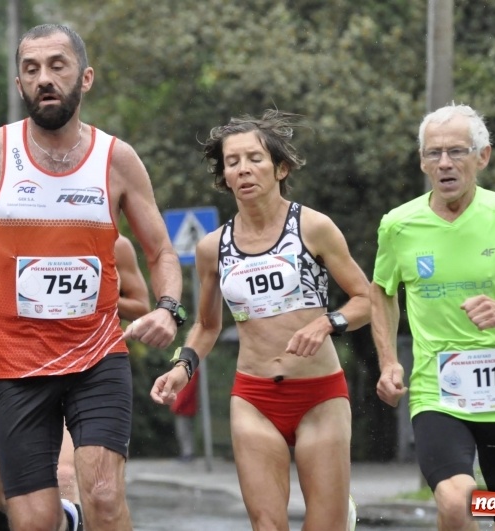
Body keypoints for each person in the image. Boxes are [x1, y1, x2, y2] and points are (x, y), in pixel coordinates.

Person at [0, 24, 183, 531]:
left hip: (97, 357)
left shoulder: (118, 160)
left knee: (105, 497)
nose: (44, 78)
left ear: (85, 78)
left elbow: (160, 251)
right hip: (16, 363)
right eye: (31, 69)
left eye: (57, 66)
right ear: (20, 84)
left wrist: (167, 307)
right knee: (36, 521)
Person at [150, 109, 371, 531]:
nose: (243, 169)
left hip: (319, 396)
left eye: (254, 158)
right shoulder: (213, 248)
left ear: (279, 167)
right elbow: (208, 326)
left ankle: (340, 515)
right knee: (267, 525)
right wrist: (183, 367)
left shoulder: (313, 227)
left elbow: (365, 300)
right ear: (225, 177)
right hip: (254, 398)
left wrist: (327, 323)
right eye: (233, 162)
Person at [369, 103, 495, 531]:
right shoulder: (398, 225)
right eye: (433, 153)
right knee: (457, 501)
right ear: (423, 161)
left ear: (482, 157)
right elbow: (382, 292)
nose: (444, 163)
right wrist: (389, 360)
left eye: (457, 152)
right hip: (436, 392)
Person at [0, 215, 150, 530]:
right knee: (12, 498)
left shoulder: (97, 229)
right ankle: (4, 515)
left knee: (68, 478)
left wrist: (91, 295)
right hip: (9, 373)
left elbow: (140, 304)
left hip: (80, 366)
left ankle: (69, 519)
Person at [170, 371, 199, 462]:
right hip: (185, 407)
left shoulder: (190, 372)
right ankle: (187, 452)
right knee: (185, 431)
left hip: (184, 408)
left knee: (184, 432)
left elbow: (186, 391)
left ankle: (187, 453)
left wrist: (176, 405)